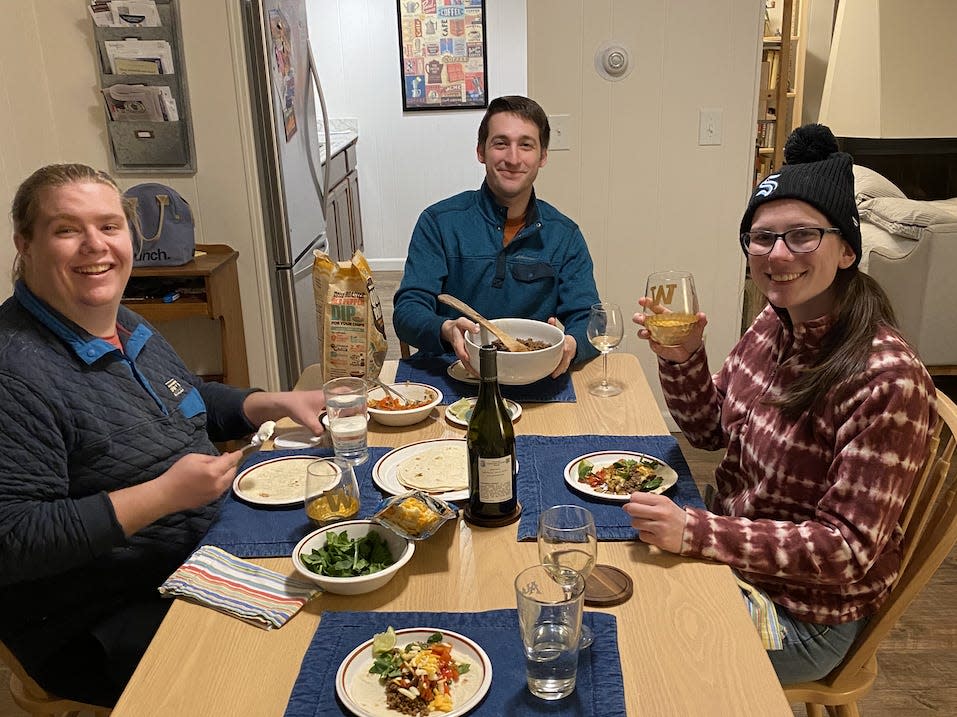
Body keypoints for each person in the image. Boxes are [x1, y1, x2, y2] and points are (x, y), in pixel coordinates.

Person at [0, 164, 327, 707]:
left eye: (109, 226)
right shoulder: (15, 373)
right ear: (25, 245)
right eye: (66, 230)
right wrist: (164, 495)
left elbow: (183, 398)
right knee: (299, 668)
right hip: (99, 620)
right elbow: (13, 540)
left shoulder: (122, 321)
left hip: (205, 545)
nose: (94, 246)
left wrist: (271, 400)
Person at [624, 124, 937, 684]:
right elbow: (706, 431)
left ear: (846, 251)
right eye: (762, 238)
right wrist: (683, 356)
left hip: (803, 615)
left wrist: (696, 534)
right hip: (737, 556)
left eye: (802, 235)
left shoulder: (887, 379)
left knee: (637, 634)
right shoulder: (776, 321)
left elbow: (845, 550)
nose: (777, 254)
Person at [392, 95, 600, 377]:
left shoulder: (565, 235)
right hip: (452, 374)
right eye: (501, 143)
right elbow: (407, 311)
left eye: (526, 145)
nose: (513, 159)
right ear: (481, 151)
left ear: (543, 156)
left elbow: (590, 320)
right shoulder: (439, 222)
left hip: (535, 380)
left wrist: (572, 345)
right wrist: (447, 329)